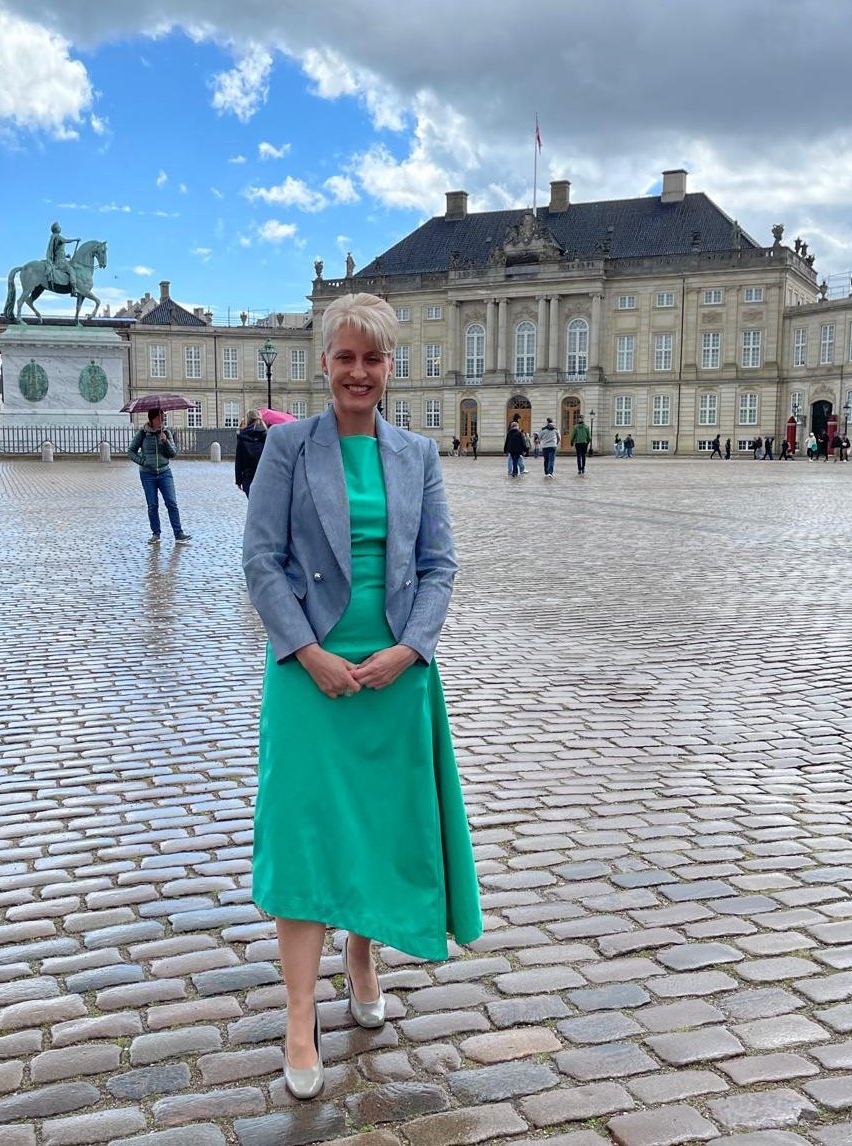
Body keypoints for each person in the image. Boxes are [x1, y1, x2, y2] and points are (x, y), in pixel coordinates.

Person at [243, 293, 482, 1101]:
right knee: (308, 841)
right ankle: (301, 1016)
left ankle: (362, 952)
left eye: (372, 359)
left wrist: (410, 648)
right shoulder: (285, 448)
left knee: (378, 834)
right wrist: (306, 652)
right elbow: (261, 561)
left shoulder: (416, 453)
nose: (358, 372)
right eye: (345, 357)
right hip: (310, 674)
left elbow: (440, 565)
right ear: (323, 363)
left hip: (392, 671)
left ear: (389, 367)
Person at [127, 408, 192, 544]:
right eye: (159, 418)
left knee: (172, 503)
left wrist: (165, 441)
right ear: (152, 419)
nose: (162, 421)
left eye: (163, 418)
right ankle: (156, 533)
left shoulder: (166, 433)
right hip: (147, 474)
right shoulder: (142, 434)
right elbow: (131, 451)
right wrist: (143, 461)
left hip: (164, 472)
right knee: (152, 505)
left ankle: (178, 533)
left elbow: (173, 453)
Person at [235, 410, 268, 497]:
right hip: (265, 476)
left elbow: (239, 460)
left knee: (253, 504)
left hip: (248, 477)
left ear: (248, 420)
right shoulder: (267, 434)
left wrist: (238, 480)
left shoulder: (242, 436)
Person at [45, 222, 80, 288]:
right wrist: (75, 239)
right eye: (59, 227)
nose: (60, 228)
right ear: (57, 229)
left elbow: (57, 251)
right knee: (71, 270)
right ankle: (74, 288)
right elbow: (66, 240)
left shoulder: (54, 237)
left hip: (61, 259)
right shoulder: (57, 236)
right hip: (60, 262)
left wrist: (66, 256)